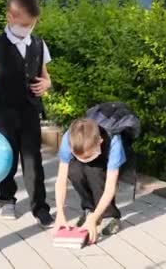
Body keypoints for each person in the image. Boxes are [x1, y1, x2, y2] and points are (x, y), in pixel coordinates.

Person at [0, 0, 54, 228]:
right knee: (7, 158)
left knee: (33, 160)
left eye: (31, 25)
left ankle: (40, 207)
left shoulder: (39, 44)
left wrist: (47, 84)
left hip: (30, 111)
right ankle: (7, 199)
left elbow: (45, 76)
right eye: (24, 25)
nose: (28, 29)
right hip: (3, 112)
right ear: (10, 17)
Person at [54, 103, 140, 243]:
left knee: (95, 172)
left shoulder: (114, 142)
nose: (83, 160)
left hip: (108, 162)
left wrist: (94, 219)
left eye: (86, 156)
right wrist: (60, 214)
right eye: (78, 156)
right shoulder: (69, 139)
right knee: (75, 170)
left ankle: (110, 217)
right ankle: (90, 209)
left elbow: (110, 187)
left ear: (99, 142)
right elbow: (61, 180)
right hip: (94, 154)